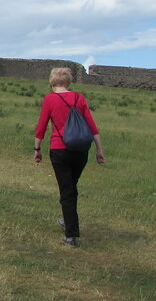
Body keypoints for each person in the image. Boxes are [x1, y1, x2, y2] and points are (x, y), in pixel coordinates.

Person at [33, 67, 105, 248]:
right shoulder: (79, 98)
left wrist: (37, 148)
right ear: (68, 82)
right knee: (71, 187)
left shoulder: (50, 99)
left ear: (52, 82)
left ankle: (71, 235)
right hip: (81, 150)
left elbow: (41, 126)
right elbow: (91, 125)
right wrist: (99, 149)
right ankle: (68, 220)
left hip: (60, 149)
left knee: (67, 191)